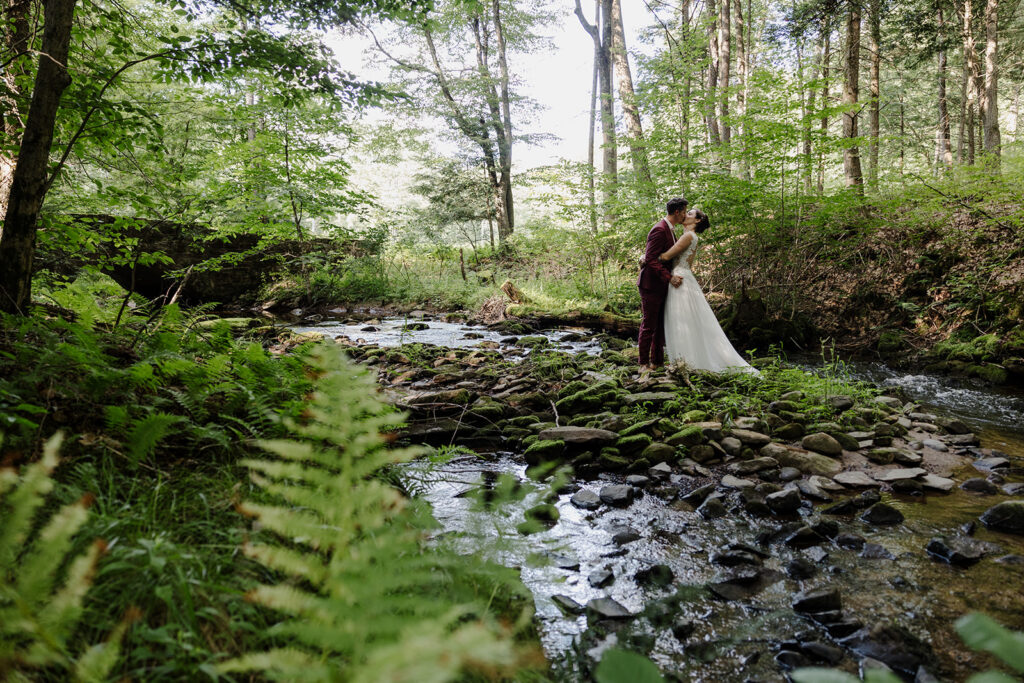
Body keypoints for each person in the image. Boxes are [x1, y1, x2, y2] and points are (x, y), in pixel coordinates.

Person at [657, 209, 759, 375]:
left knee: (683, 321)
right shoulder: (687, 236)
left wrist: (647, 257)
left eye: (690, 214)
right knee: (687, 321)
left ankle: (689, 362)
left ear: (697, 221)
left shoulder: (688, 236)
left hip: (680, 279)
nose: (685, 215)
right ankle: (685, 361)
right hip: (681, 277)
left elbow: (667, 257)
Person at [637, 197, 688, 371]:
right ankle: (643, 363)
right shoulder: (659, 229)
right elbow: (650, 259)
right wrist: (669, 277)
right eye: (684, 212)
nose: (685, 215)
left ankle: (657, 362)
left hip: (660, 285)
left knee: (659, 325)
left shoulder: (670, 230)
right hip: (650, 284)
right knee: (649, 325)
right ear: (677, 212)